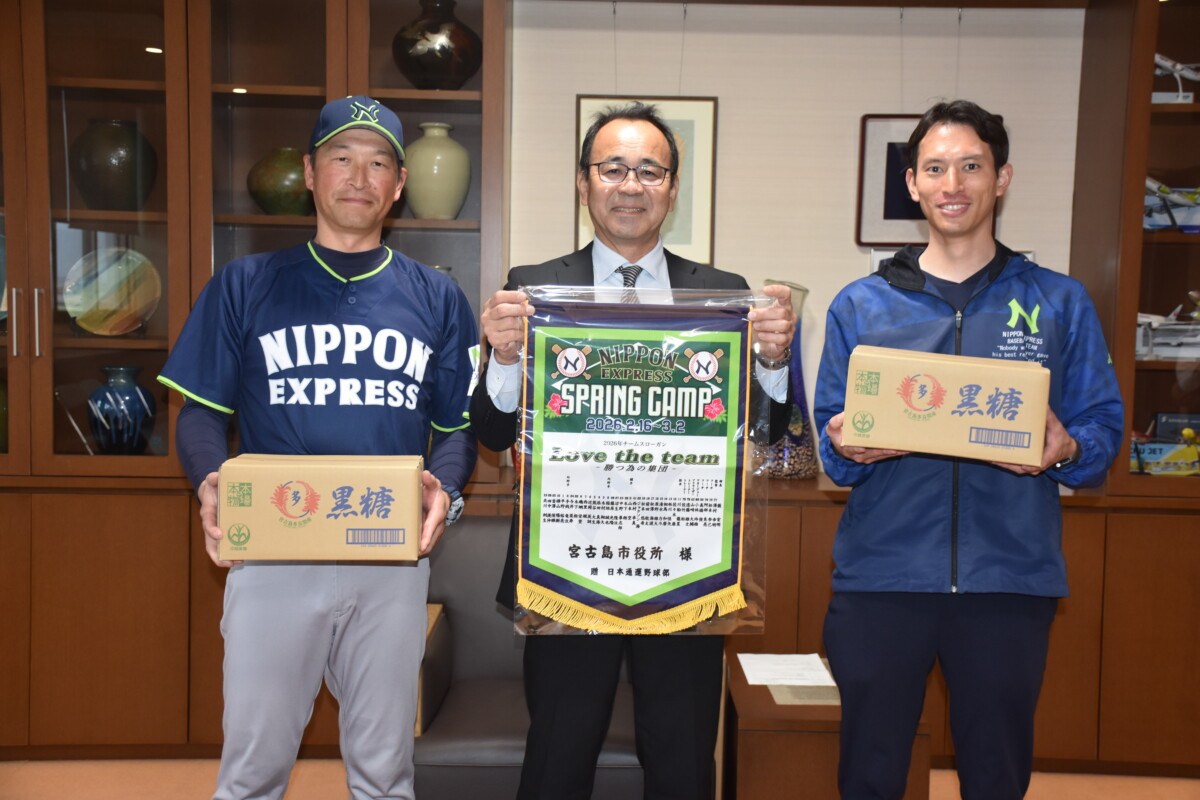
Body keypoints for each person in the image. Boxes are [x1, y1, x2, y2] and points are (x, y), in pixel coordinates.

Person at [470, 101, 796, 800]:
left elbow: (766, 435)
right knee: (558, 757)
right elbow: (493, 435)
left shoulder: (721, 295)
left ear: (672, 190)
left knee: (681, 761)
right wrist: (503, 356)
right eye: (612, 168)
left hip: (688, 568)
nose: (630, 185)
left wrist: (773, 361)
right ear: (583, 182)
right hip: (566, 566)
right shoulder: (531, 288)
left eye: (650, 171)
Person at [158, 95, 478, 800]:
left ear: (399, 184)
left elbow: (456, 428)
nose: (359, 177)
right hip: (277, 548)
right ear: (309, 172)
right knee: (253, 769)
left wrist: (446, 490)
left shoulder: (436, 296)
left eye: (378, 163)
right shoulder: (246, 283)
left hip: (388, 555)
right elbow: (201, 411)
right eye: (341, 158)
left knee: (385, 771)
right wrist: (209, 481)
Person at [814, 99, 1123, 800]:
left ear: (1002, 178)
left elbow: (1102, 433)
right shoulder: (861, 305)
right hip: (882, 580)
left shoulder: (1058, 302)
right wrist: (846, 446)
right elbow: (832, 448)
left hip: (1008, 580)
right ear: (913, 184)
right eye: (935, 169)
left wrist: (1066, 448)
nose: (952, 184)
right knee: (869, 773)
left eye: (971, 166)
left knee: (995, 775)